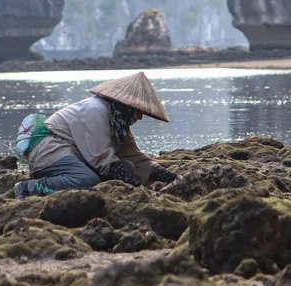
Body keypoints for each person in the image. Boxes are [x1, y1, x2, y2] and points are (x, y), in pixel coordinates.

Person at [14, 71, 178, 198]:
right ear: (126, 106)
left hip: (73, 155)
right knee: (87, 180)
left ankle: (73, 184)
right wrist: (134, 187)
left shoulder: (118, 123)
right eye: (138, 111)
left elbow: (136, 157)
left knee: (129, 167)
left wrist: (171, 177)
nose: (140, 117)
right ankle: (29, 188)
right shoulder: (96, 110)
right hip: (49, 149)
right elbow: (101, 158)